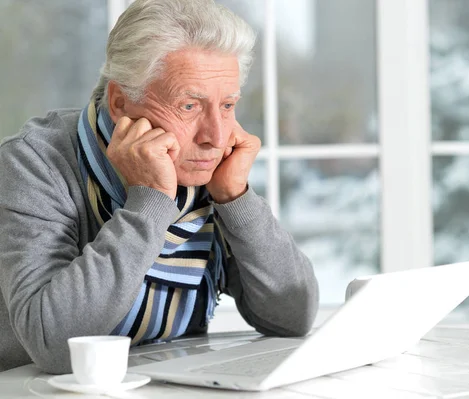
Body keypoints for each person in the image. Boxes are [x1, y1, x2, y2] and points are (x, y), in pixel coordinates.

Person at [0, 0, 318, 373]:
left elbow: (292, 317)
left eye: (228, 104)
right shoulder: (32, 163)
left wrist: (236, 198)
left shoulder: (209, 169)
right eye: (189, 106)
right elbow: (55, 345)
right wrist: (150, 203)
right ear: (120, 101)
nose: (216, 136)